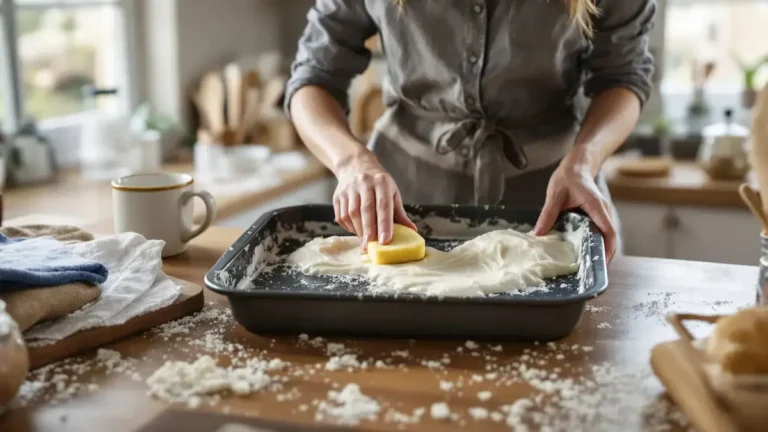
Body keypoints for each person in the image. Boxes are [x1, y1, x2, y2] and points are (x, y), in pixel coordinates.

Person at [285, 0, 656, 261]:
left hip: (556, 199)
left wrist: (584, 162)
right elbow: (313, 78)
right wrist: (351, 163)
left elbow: (623, 77)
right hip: (401, 199)